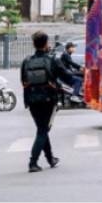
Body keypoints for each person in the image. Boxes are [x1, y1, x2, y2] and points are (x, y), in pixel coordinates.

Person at [20, 31, 63, 172]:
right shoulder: (52, 60)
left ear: (33, 44)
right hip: (48, 99)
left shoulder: (26, 61)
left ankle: (50, 159)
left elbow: (23, 81)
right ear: (46, 44)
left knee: (42, 129)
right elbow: (64, 75)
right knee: (43, 130)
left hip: (32, 100)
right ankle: (33, 162)